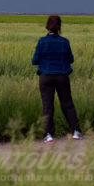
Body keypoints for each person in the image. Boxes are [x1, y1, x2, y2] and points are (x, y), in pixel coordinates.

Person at [32, 15, 82, 143]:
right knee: (67, 104)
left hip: (45, 76)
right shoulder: (64, 42)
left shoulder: (42, 41)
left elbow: (34, 61)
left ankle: (48, 135)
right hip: (62, 76)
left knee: (47, 106)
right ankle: (76, 131)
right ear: (59, 27)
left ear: (47, 26)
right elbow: (71, 59)